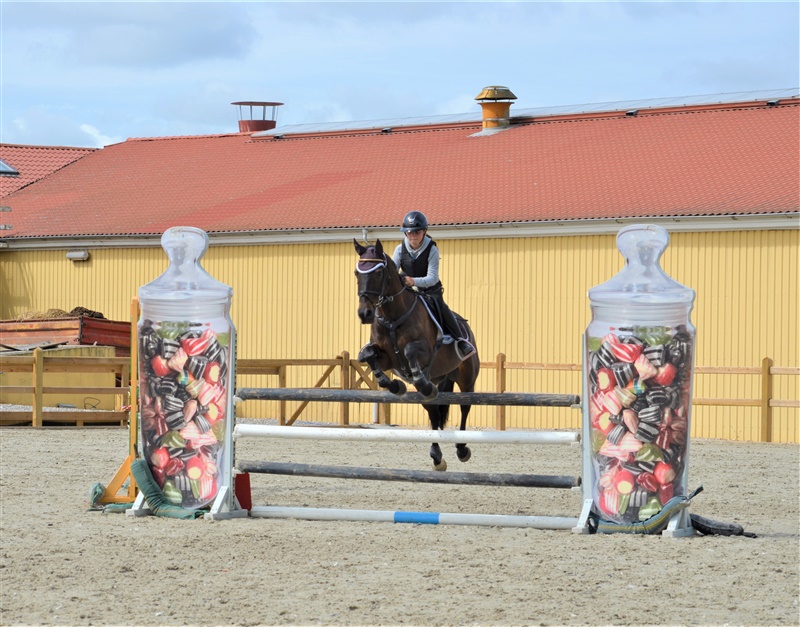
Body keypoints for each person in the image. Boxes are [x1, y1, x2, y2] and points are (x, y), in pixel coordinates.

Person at [392, 211, 476, 360]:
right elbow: (393, 272)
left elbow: (432, 277)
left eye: (416, 232)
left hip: (430, 291)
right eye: (409, 232)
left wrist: (414, 281)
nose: (413, 236)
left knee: (441, 308)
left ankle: (461, 340)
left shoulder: (432, 249)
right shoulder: (399, 250)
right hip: (409, 291)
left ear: (424, 232)